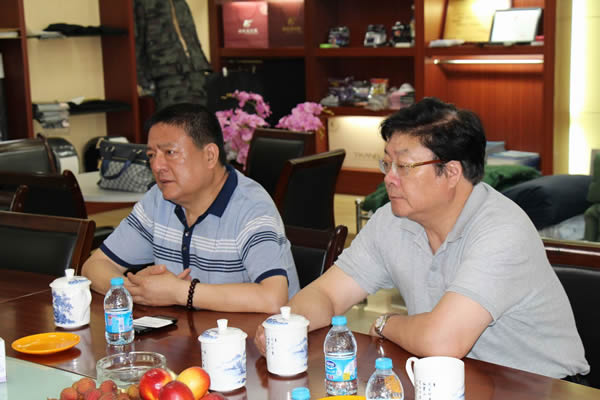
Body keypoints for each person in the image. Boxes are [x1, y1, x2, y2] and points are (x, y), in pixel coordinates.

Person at [255, 97, 589, 380]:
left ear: (452, 172)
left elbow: (443, 342)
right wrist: (287, 325)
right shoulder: (394, 220)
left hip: (542, 387)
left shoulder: (502, 230)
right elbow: (327, 294)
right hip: (451, 380)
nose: (389, 179)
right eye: (387, 163)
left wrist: (386, 323)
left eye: (404, 166)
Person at [82, 103, 300, 313]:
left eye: (170, 152)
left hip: (255, 336)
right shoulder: (158, 200)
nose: (157, 166)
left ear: (210, 156)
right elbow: (95, 266)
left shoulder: (251, 206)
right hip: (187, 333)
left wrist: (179, 292)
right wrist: (139, 291)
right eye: (151, 155)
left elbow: (273, 298)